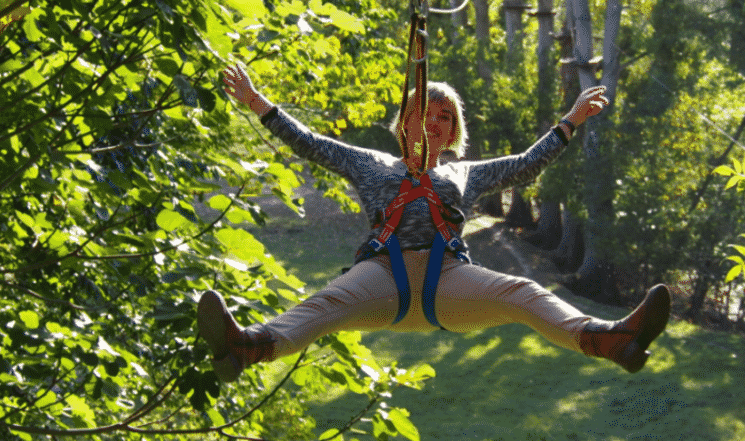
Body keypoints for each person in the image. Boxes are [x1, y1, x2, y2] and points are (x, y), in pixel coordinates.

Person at [197, 64, 671, 383]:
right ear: (405, 121)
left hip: (450, 284)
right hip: (382, 278)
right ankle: (247, 347)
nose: (436, 122)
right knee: (326, 303)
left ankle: (608, 339)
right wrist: (259, 104)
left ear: (454, 131)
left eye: (446, 117)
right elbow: (311, 143)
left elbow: (526, 165)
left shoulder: (465, 173)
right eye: (425, 112)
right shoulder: (369, 164)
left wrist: (570, 121)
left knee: (524, 294)